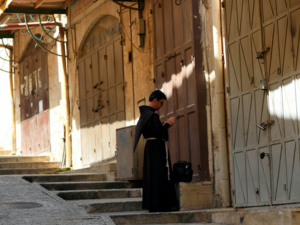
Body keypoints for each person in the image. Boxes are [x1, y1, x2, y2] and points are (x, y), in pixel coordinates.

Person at [133, 90, 178, 212]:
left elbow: (153, 130)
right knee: (159, 174)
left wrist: (163, 125)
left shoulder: (145, 114)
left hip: (151, 147)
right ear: (155, 100)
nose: (162, 106)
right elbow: (158, 133)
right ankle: (160, 204)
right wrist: (167, 124)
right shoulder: (152, 115)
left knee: (152, 175)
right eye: (161, 103)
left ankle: (154, 204)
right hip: (156, 148)